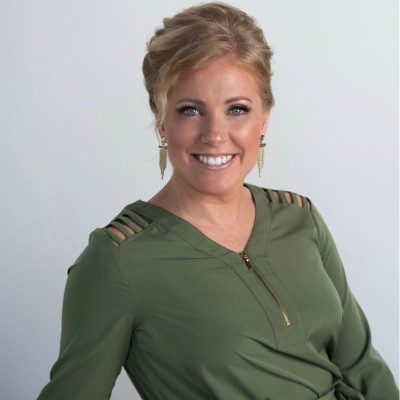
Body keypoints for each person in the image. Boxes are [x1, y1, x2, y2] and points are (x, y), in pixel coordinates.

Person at [37, 2, 398, 399]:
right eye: (190, 110)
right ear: (161, 120)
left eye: (237, 109)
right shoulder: (118, 260)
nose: (215, 135)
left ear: (264, 119)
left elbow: (363, 367)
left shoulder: (300, 218)